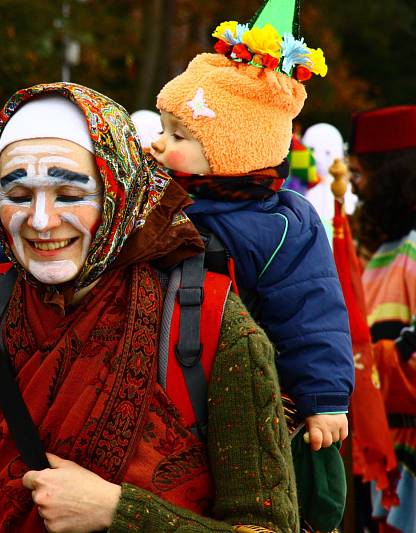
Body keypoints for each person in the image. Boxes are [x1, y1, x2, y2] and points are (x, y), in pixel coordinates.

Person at [0, 82, 298, 532]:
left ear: (118, 190)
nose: (42, 221)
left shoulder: (211, 324)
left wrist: (116, 512)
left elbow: (269, 526)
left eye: (68, 195)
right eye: (19, 196)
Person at [149, 5, 354, 452]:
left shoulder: (283, 224)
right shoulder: (156, 199)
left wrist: (324, 397)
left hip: (243, 394)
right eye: (163, 128)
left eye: (179, 136)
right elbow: (83, 226)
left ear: (235, 150)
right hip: (154, 382)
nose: (158, 143)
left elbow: (311, 311)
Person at [352, 105, 416, 533]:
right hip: (387, 461)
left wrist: (356, 362)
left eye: (360, 176)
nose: (355, 190)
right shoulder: (390, 250)